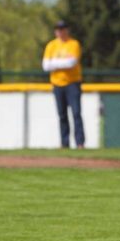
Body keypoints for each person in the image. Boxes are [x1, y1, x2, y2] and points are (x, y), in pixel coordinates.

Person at [42, 20, 85, 148]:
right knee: (62, 115)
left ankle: (80, 143)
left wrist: (54, 63)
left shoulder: (73, 44)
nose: (60, 32)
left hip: (72, 83)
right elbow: (45, 65)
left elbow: (71, 62)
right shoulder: (51, 45)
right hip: (57, 84)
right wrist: (62, 62)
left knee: (76, 113)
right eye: (58, 29)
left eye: (62, 29)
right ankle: (64, 143)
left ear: (67, 30)